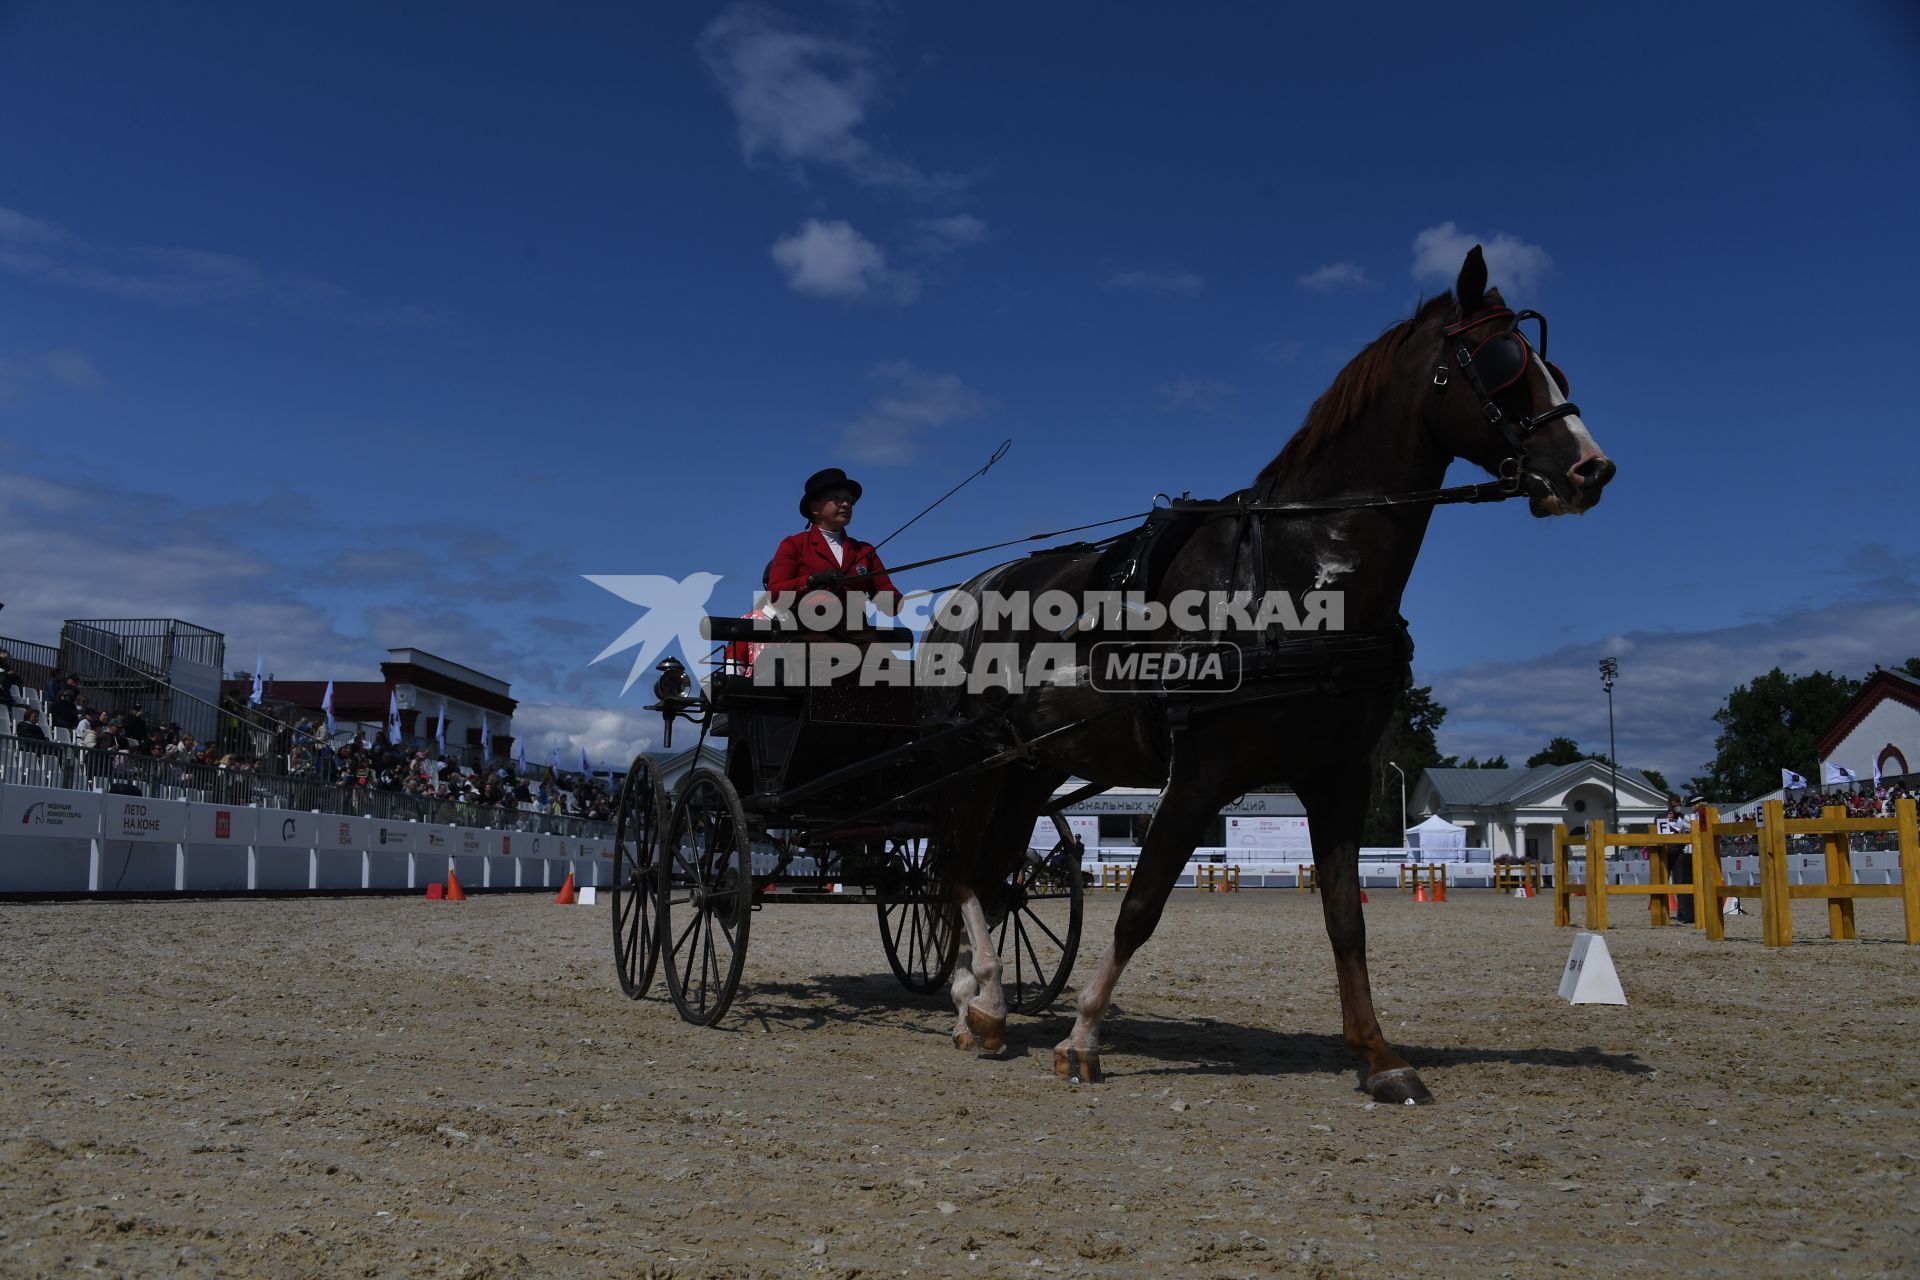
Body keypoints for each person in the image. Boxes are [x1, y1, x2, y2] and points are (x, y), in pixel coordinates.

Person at [768, 468, 902, 628]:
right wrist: (811, 580)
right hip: (808, 633)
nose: (846, 504)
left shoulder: (866, 551)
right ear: (815, 508)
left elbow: (887, 594)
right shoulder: (794, 544)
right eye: (837, 499)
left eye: (849, 500)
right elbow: (775, 594)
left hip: (858, 634)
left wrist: (893, 601)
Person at [1659, 796, 1696, 925]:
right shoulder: (1660, 816)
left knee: (1681, 883)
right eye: (1674, 805)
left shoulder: (1683, 817)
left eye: (1678, 805)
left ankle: (1684, 914)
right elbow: (1657, 830)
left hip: (1678, 851)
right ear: (1668, 804)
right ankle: (1660, 913)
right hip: (1663, 852)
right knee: (1660, 882)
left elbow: (1691, 828)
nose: (1676, 808)